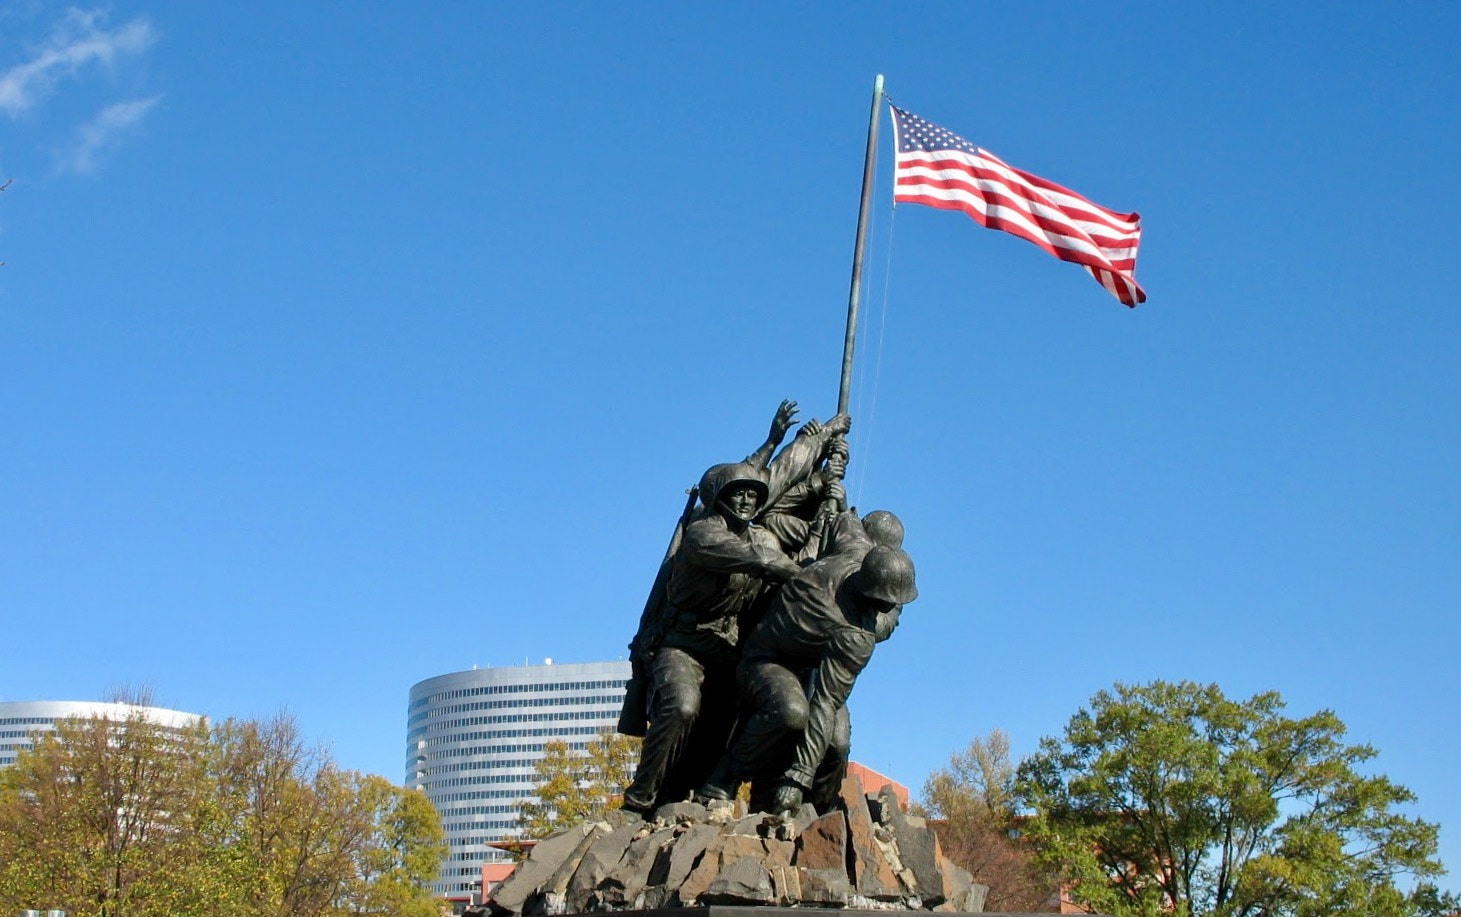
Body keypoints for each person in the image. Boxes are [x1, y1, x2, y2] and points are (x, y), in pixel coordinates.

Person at [619, 404, 850, 814]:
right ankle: (640, 799)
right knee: (683, 705)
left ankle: (715, 792)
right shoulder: (704, 535)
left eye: (751, 494)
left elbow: (779, 480)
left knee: (751, 721)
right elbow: (762, 562)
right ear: (718, 499)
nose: (745, 500)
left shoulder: (763, 536)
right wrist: (800, 575)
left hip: (727, 650)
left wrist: (823, 486)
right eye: (736, 493)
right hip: (684, 644)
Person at [697, 537, 917, 815]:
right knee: (791, 711)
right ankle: (724, 779)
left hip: (814, 666)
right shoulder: (854, 634)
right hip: (766, 659)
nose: (887, 608)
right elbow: (823, 704)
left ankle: (821, 814)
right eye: (887, 602)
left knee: (838, 744)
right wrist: (798, 777)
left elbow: (844, 524)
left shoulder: (857, 553)